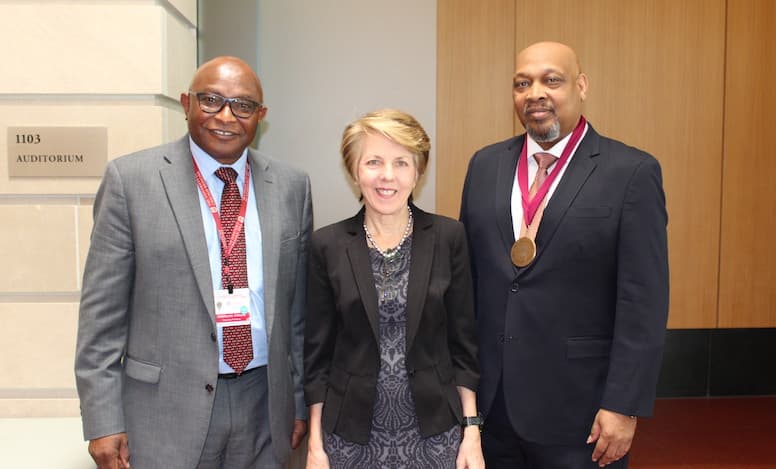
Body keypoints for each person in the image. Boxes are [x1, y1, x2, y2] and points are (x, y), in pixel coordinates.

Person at [75, 56, 311, 469]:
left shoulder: (292, 186)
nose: (226, 116)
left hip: (263, 404)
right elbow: (101, 318)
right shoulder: (131, 181)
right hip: (163, 411)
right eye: (211, 100)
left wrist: (296, 400)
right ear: (186, 103)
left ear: (261, 116)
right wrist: (102, 420)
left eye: (242, 105)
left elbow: (298, 314)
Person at [459, 41, 670, 468]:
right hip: (492, 408)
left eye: (551, 80)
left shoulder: (630, 172)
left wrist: (624, 405)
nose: (535, 92)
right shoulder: (484, 166)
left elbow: (643, 301)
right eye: (522, 83)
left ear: (581, 85)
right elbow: (470, 285)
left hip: (582, 412)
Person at [303, 109, 484, 469]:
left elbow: (464, 349)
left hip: (435, 433)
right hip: (349, 436)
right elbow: (317, 358)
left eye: (401, 162)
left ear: (417, 171)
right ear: (355, 170)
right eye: (373, 161)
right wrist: (314, 444)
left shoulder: (449, 238)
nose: (388, 176)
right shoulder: (328, 244)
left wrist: (472, 432)